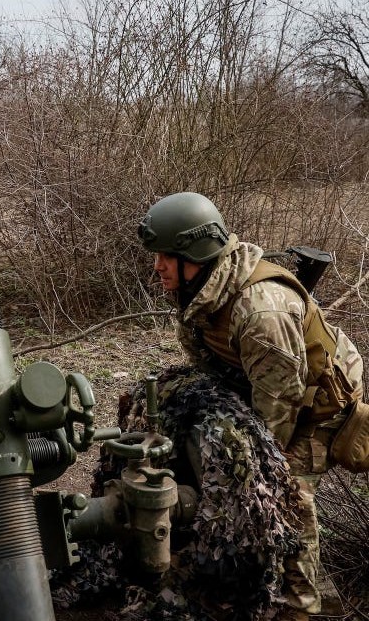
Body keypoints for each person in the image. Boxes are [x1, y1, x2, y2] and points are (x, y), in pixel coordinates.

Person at [137, 191, 364, 620]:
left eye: (166, 256)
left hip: (319, 408)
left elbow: (278, 414)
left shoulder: (261, 312)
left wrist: (248, 472)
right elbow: (211, 363)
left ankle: (303, 604)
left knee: (282, 490)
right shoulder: (201, 286)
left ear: (196, 254)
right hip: (270, 386)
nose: (157, 266)